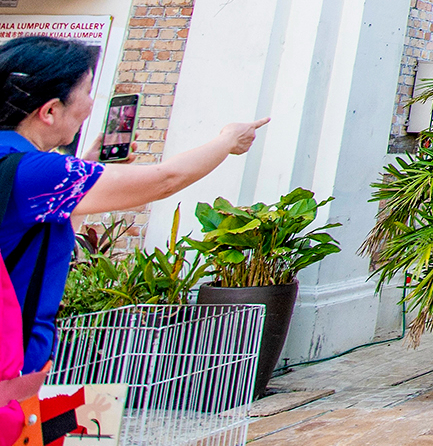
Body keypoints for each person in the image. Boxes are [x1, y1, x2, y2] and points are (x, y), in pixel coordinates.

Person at [0, 36, 268, 374]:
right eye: (85, 92)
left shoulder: (21, 168)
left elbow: (33, 237)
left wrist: (86, 166)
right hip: (11, 367)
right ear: (50, 111)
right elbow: (164, 179)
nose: (90, 104)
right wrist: (227, 140)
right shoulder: (38, 173)